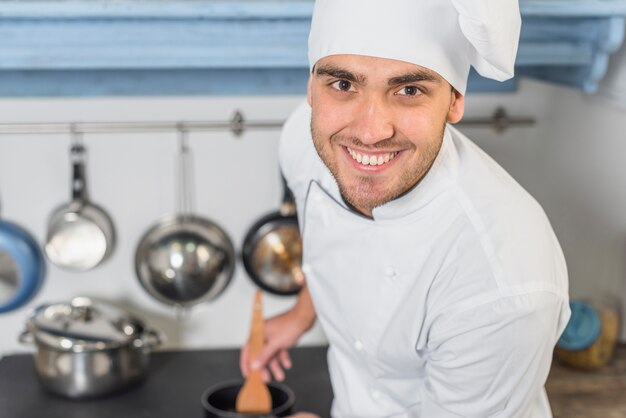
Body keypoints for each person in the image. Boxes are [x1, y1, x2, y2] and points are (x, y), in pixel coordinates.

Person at [240, 0, 571, 416]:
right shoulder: (303, 145)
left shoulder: (502, 287)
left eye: (409, 90)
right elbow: (330, 235)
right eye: (344, 85)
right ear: (311, 90)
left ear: (454, 100)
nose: (369, 131)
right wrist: (302, 313)